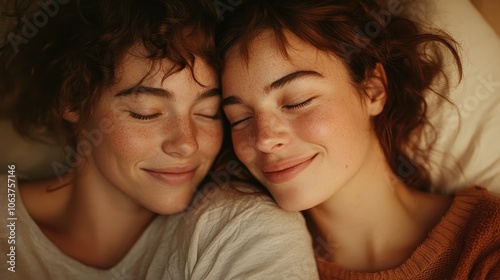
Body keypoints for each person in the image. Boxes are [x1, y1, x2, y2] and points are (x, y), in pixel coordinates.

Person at [0, 0, 319, 279]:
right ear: (72, 99)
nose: (187, 144)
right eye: (146, 112)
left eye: (209, 112)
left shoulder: (240, 230)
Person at [218, 0, 500, 279]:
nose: (264, 139)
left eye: (297, 102)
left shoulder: (486, 244)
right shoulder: (247, 265)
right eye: (240, 118)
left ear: (373, 89)